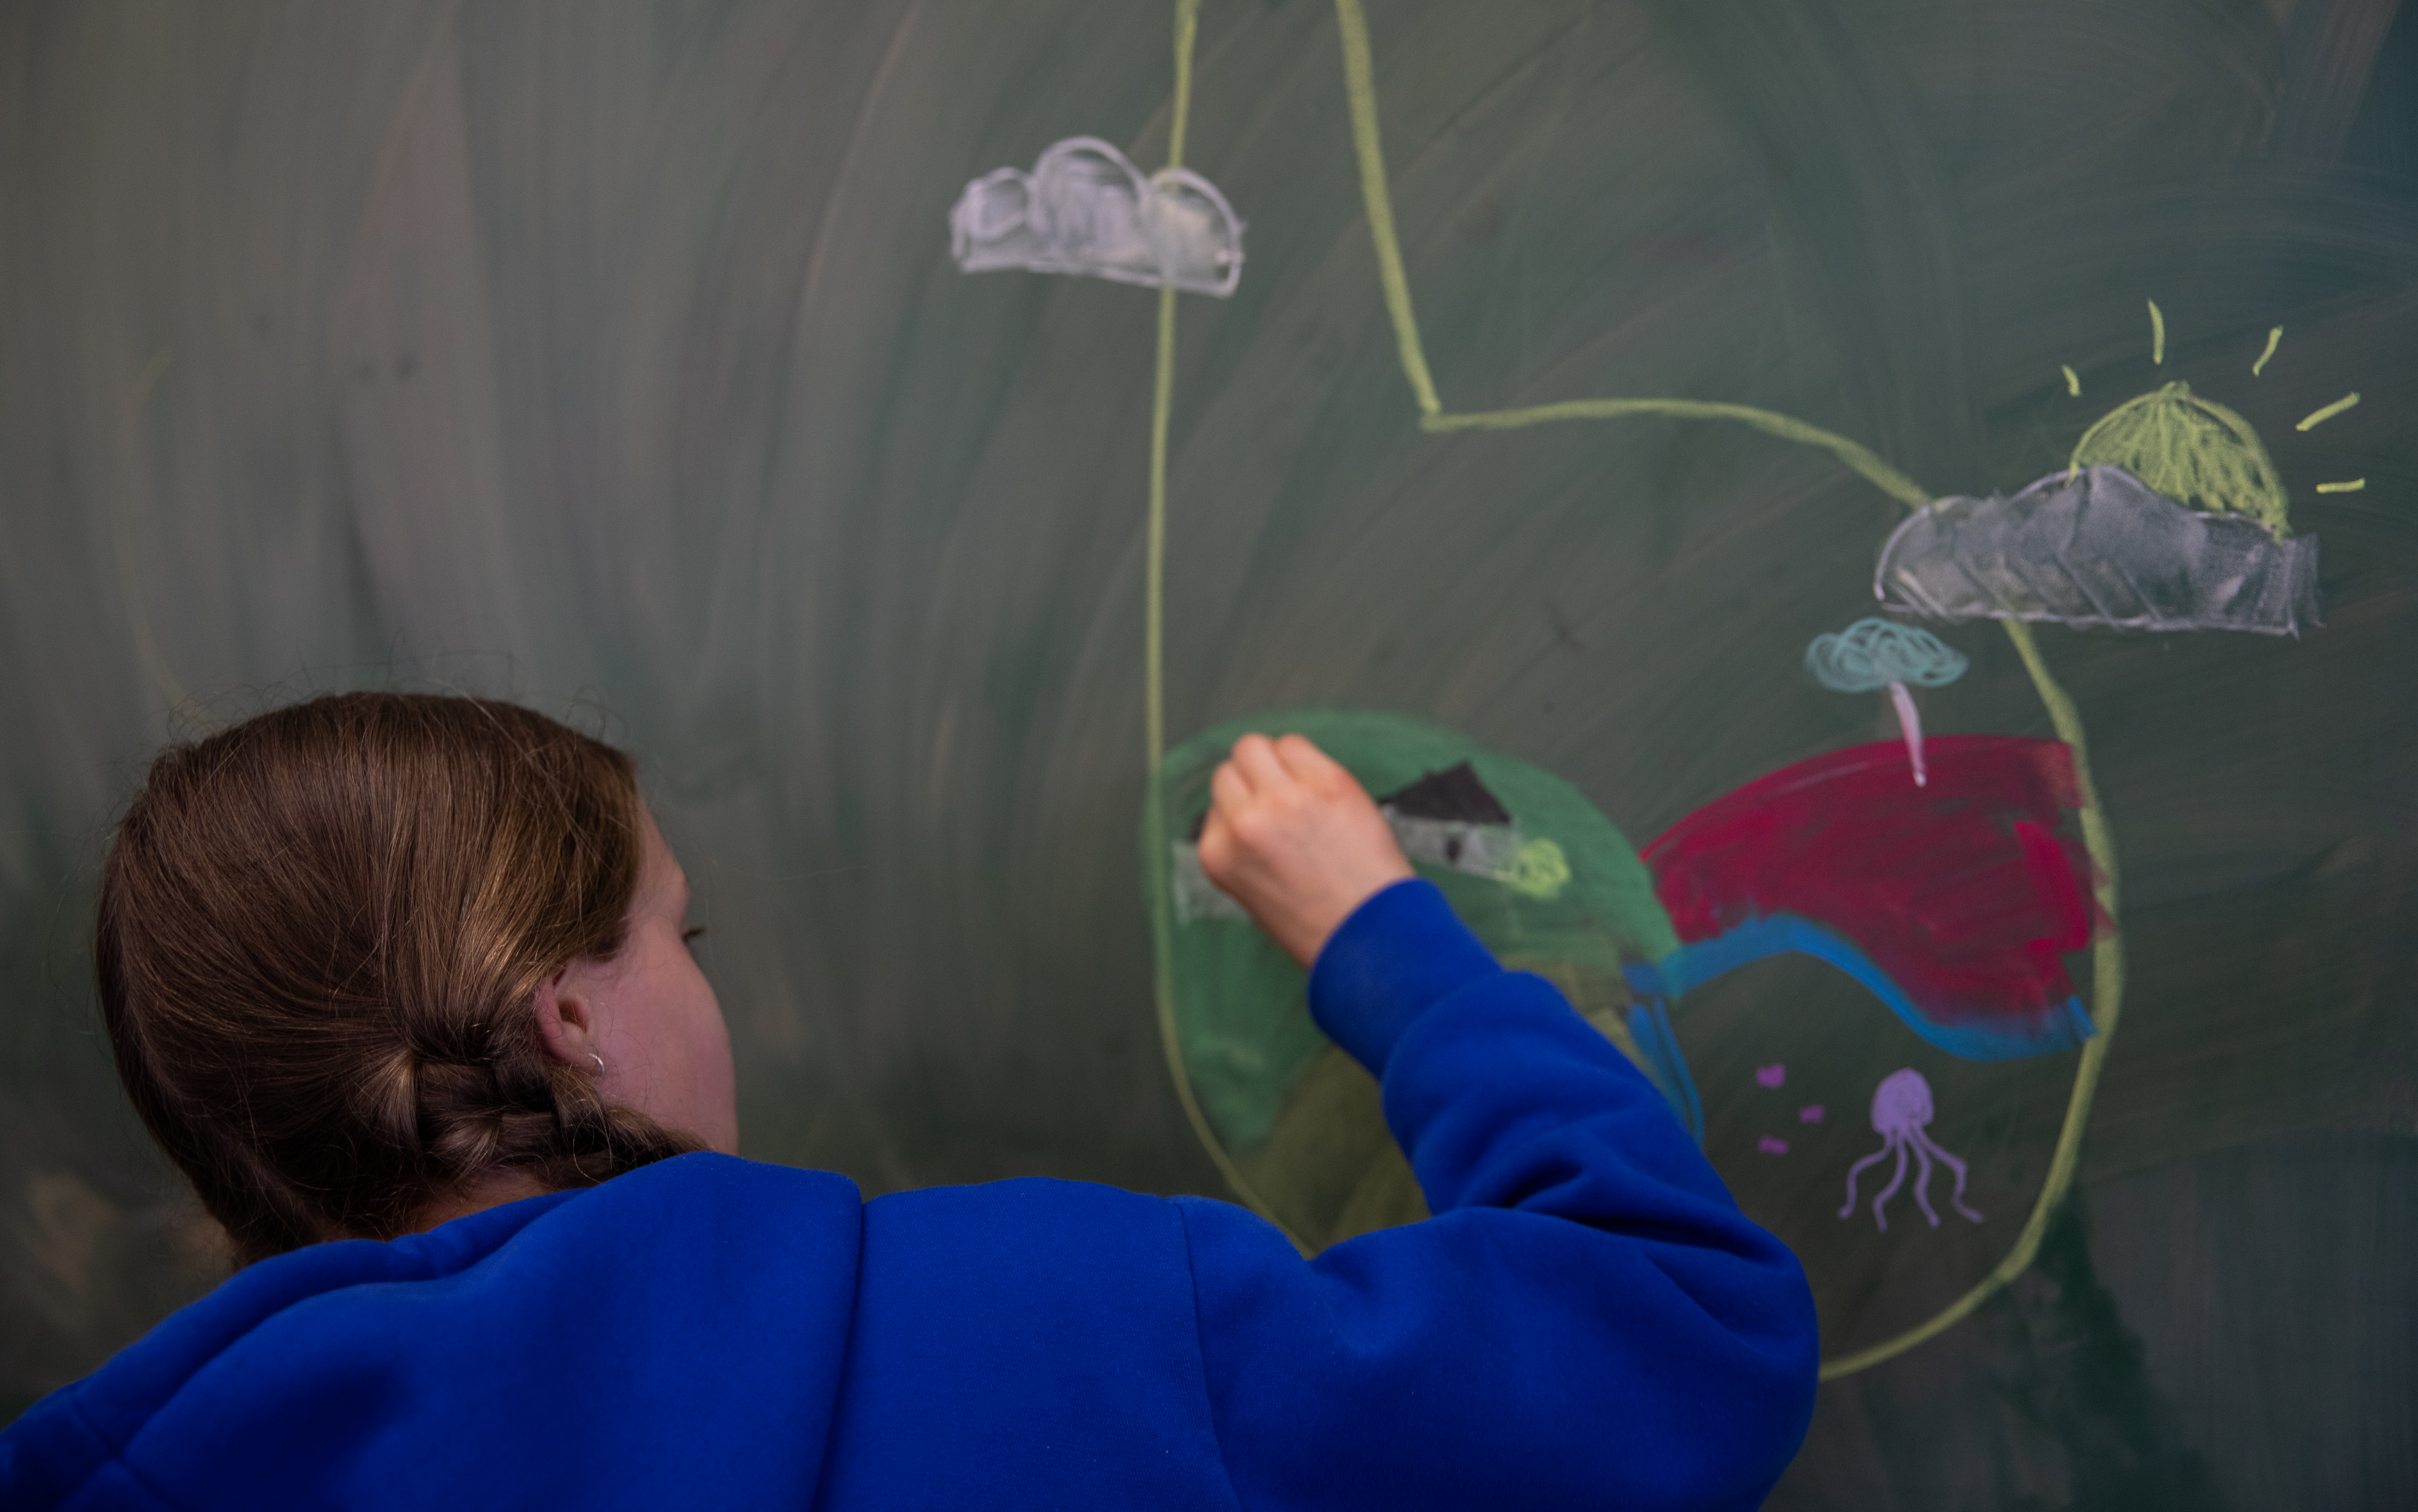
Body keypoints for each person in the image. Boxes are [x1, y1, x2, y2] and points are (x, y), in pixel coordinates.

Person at [0, 693, 1817, 1510]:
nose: (706, 968)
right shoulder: (1057, 1340)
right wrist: (1386, 943)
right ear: (566, 1019)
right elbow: (1686, 1337)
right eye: (676, 926)